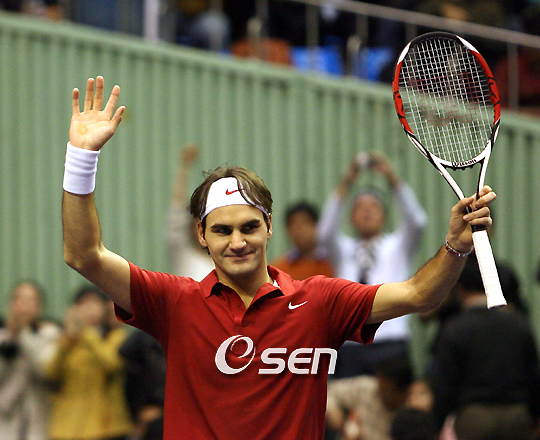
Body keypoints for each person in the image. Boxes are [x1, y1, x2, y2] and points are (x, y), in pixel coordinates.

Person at [61, 76, 496, 440]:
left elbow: (420, 294)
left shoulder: (320, 301)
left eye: (249, 227)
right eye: (222, 230)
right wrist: (81, 158)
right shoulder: (174, 301)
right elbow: (84, 255)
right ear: (202, 235)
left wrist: (456, 244)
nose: (237, 242)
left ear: (269, 227)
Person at [318, 151, 427, 377]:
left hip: (390, 339)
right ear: (351, 217)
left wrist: (392, 179)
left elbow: (417, 221)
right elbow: (324, 232)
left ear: (384, 215)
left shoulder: (397, 246)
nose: (367, 211)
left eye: (374, 206)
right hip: (349, 343)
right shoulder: (343, 249)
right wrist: (346, 183)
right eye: (360, 207)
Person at [429, 255, 540, 440]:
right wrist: (535, 416)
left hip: (473, 417)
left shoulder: (455, 328)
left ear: (460, 288)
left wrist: (437, 423)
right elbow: (534, 374)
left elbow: (445, 383)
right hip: (516, 415)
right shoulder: (518, 324)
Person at [44, 285, 133, 440]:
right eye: (83, 303)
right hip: (67, 426)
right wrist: (67, 340)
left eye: (94, 302)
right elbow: (51, 373)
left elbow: (112, 364)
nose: (89, 308)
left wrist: (86, 332)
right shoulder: (67, 340)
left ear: (105, 308)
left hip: (105, 426)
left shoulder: (115, 336)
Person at [0, 281, 61, 440]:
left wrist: (23, 334)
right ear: (11, 304)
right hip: (5, 421)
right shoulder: (3, 337)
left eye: (30, 300)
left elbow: (45, 370)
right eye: (20, 299)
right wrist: (11, 340)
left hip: (40, 420)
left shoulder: (50, 334)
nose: (25, 306)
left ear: (39, 306)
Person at [326, 354, 414, 440]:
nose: (379, 392)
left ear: (404, 392)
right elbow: (326, 391)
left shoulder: (411, 414)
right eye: (380, 385)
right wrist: (332, 409)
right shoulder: (368, 388)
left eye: (385, 390)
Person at [167, 143, 214, 281]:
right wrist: (184, 168)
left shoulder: (223, 260)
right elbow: (176, 209)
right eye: (198, 223)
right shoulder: (182, 251)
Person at [271, 201, 335, 280]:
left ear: (316, 226)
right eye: (294, 224)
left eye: (305, 223)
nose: (299, 229)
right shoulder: (279, 270)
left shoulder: (332, 262)